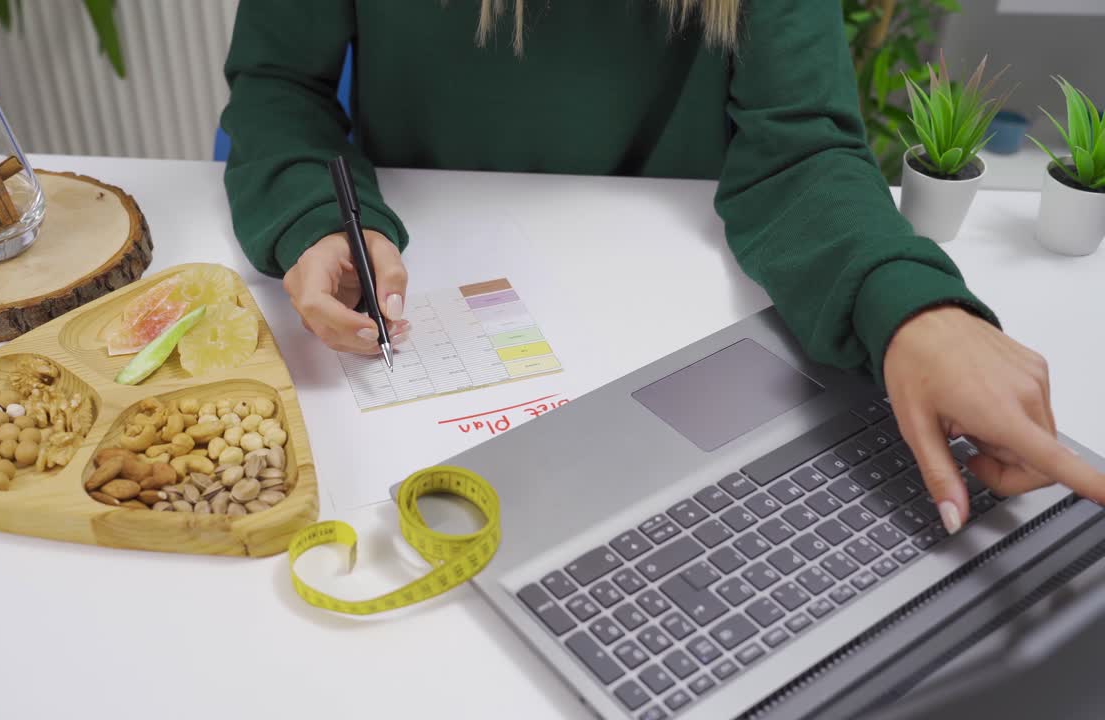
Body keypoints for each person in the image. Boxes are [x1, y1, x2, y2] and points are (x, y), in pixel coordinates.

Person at [219, 1, 1104, 532]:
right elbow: (277, 89)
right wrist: (311, 216)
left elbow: (797, 150)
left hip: (666, 327)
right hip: (422, 310)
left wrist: (914, 310)